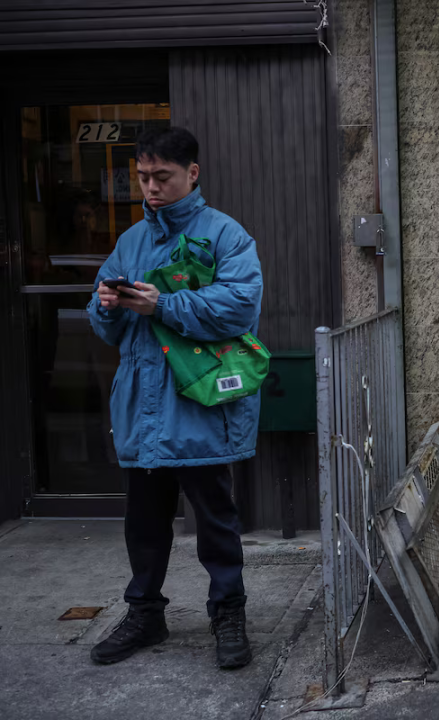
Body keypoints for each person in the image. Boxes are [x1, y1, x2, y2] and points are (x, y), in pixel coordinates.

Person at [87, 127, 263, 669]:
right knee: (143, 521)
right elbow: (105, 326)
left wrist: (161, 304)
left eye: (161, 176)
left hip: (198, 405)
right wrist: (106, 305)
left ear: (193, 172)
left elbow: (239, 306)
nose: (151, 188)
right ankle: (145, 614)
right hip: (143, 407)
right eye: (143, 177)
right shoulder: (130, 241)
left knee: (215, 520)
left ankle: (228, 614)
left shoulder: (226, 234)